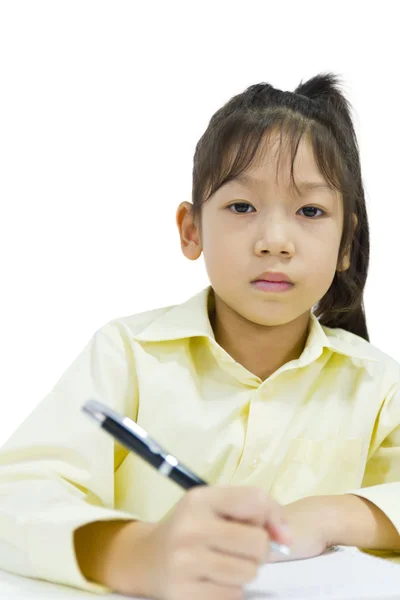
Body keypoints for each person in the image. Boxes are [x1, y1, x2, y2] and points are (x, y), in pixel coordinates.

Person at [1, 72, 400, 600]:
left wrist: (330, 514)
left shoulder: (376, 383)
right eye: (242, 207)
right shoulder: (127, 353)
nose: (275, 241)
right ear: (191, 231)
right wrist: (138, 554)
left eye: (310, 211)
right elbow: (17, 497)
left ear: (347, 241)